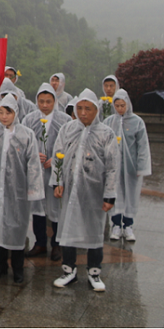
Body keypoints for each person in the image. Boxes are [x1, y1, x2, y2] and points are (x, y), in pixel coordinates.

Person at [51, 89, 120, 292]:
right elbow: (58, 155)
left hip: (94, 191)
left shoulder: (106, 133)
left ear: (96, 110)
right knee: (68, 227)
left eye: (87, 109)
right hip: (70, 190)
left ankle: (94, 271)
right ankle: (69, 269)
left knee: (94, 229)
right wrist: (58, 182)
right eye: (79, 108)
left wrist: (109, 195)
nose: (83, 113)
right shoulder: (68, 129)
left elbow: (113, 166)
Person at [0, 95, 44, 283]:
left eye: (8, 112)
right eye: (1, 112)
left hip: (18, 192)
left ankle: (18, 268)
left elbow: (33, 164)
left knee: (16, 229)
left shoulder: (26, 135)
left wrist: (32, 189)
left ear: (16, 113)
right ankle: (0, 266)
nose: (4, 116)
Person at [22, 83, 72, 261]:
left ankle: (57, 244)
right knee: (38, 208)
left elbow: (70, 146)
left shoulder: (65, 121)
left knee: (55, 208)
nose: (44, 105)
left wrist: (58, 159)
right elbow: (23, 143)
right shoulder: (29, 119)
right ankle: (40, 242)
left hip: (55, 172)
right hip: (36, 172)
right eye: (41, 101)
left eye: (48, 101)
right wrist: (35, 155)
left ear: (55, 101)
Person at [104, 89, 151, 242]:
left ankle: (128, 225)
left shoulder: (137, 122)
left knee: (131, 195)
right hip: (113, 168)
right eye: (117, 105)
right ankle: (116, 225)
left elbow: (142, 146)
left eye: (122, 105)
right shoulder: (109, 121)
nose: (119, 109)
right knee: (115, 194)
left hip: (130, 168)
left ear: (128, 104)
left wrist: (141, 166)